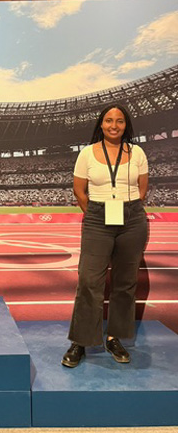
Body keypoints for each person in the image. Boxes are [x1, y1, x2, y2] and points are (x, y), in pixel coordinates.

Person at [62, 105, 149, 368]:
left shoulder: (137, 153)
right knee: (89, 281)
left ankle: (114, 337)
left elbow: (142, 189)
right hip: (98, 218)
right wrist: (97, 214)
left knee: (125, 283)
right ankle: (81, 340)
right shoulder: (87, 153)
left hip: (131, 218)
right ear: (101, 124)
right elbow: (79, 191)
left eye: (120, 121)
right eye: (109, 120)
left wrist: (125, 208)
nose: (114, 125)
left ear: (126, 125)